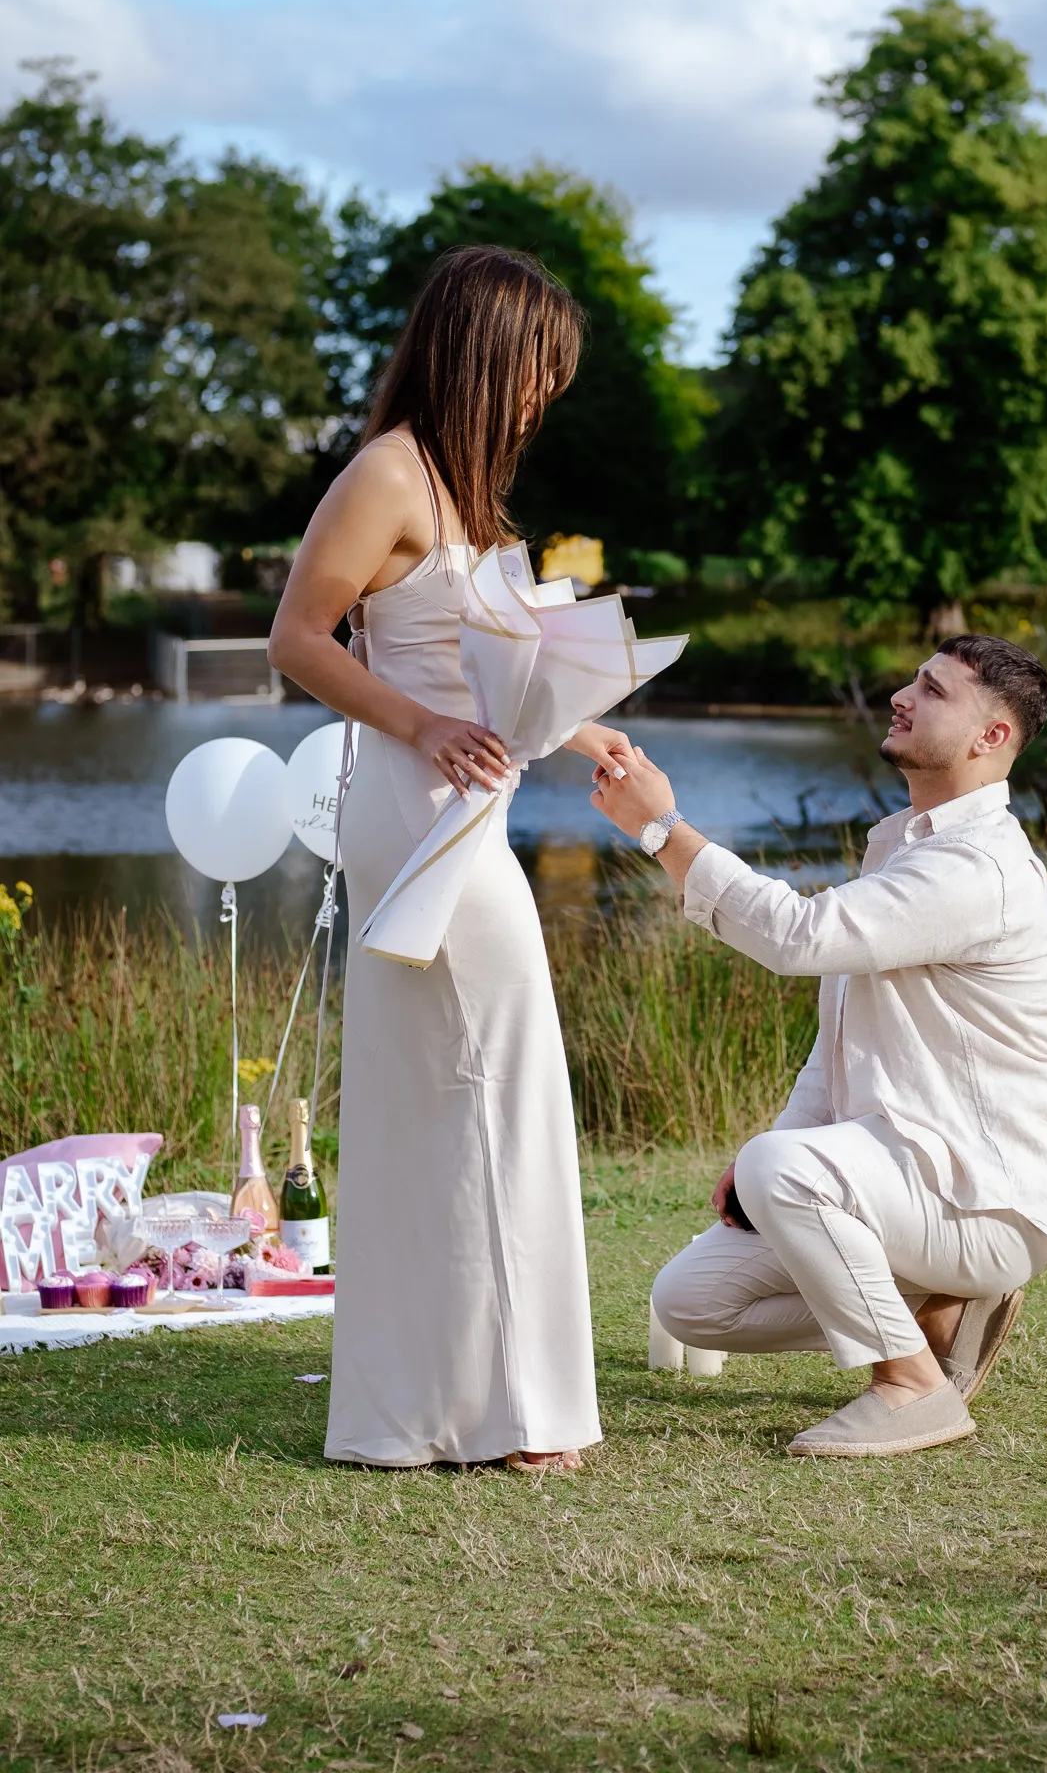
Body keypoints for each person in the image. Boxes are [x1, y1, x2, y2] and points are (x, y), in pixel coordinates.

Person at [270, 245, 626, 1472]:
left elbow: (482, 672)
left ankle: (432, 1402)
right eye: (534, 370)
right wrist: (418, 725)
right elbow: (298, 637)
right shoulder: (388, 473)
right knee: (492, 1088)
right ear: (481, 351)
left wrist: (583, 724)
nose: (540, 397)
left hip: (460, 803)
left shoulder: (464, 492)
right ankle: (510, 1412)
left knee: (452, 1097)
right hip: (417, 805)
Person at [589, 634, 1047, 1459]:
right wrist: (769, 1158)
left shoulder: (976, 868)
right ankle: (942, 1312)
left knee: (779, 1168)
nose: (901, 694)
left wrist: (662, 829)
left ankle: (911, 1388)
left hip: (983, 1202)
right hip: (901, 1182)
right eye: (912, 681)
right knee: (693, 1303)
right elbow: (837, 1032)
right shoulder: (904, 845)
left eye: (931, 690)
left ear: (989, 738)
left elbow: (799, 937)